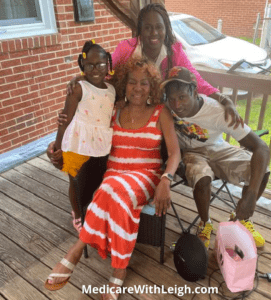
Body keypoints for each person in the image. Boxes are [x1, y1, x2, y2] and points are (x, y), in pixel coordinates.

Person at [44, 57, 181, 299]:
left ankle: (76, 250)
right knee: (112, 191)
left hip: (145, 176)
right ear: (123, 85)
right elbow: (84, 123)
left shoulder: (161, 113)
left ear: (152, 87)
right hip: (114, 175)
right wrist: (59, 143)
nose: (137, 88)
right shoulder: (113, 109)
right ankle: (118, 273)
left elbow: (174, 153)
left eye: (144, 83)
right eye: (131, 83)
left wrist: (166, 179)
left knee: (111, 190)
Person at [66, 3, 243, 127]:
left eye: (159, 27)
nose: (154, 32)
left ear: (166, 29)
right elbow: (105, 75)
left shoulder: (174, 51)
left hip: (160, 112)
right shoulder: (126, 49)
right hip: (127, 110)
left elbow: (195, 79)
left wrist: (224, 99)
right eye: (148, 27)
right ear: (140, 30)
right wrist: (82, 78)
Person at [160, 66, 270, 249]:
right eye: (172, 99)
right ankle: (205, 222)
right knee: (202, 178)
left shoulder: (218, 112)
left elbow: (261, 147)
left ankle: (240, 219)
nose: (177, 105)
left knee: (262, 171)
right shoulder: (166, 109)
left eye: (182, 97)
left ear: (195, 92)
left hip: (217, 149)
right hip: (190, 154)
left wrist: (251, 195)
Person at [50, 40, 116, 232]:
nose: (95, 69)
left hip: (100, 144)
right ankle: (78, 215)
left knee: (96, 181)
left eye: (100, 64)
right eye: (90, 65)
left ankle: (94, 211)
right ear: (83, 66)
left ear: (107, 65)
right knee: (75, 182)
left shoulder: (112, 90)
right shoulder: (78, 88)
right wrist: (58, 146)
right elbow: (65, 119)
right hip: (77, 142)